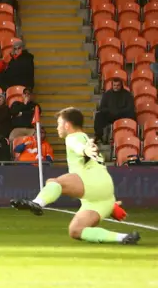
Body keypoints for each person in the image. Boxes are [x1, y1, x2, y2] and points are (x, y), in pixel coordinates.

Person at [11, 107, 140, 245]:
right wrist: (110, 204)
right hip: (104, 196)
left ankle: (37, 203)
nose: (57, 128)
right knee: (76, 230)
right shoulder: (84, 137)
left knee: (54, 182)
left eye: (59, 124)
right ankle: (123, 237)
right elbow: (84, 148)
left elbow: (78, 147)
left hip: (91, 181)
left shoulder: (73, 137)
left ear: (67, 125)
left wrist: (84, 150)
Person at [94, 78, 135, 144]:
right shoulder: (107, 94)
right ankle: (98, 136)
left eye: (118, 85)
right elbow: (102, 107)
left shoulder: (127, 94)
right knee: (99, 115)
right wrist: (111, 111)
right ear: (112, 85)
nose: (116, 87)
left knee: (131, 114)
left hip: (123, 115)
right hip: (110, 114)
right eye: (114, 85)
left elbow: (130, 108)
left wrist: (119, 112)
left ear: (121, 85)